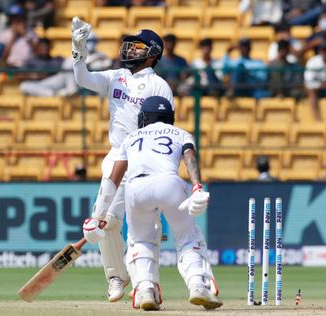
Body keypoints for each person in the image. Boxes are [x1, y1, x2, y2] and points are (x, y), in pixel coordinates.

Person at [82, 96, 222, 311]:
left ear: (143, 118)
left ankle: (146, 289)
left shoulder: (131, 137)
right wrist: (196, 187)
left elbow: (113, 179)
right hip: (170, 183)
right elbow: (190, 159)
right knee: (187, 238)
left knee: (140, 241)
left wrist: (97, 215)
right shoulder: (182, 133)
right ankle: (197, 285)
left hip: (136, 188)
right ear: (170, 117)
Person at [71, 17, 173, 302]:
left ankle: (149, 284)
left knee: (147, 226)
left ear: (152, 54)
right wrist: (78, 50)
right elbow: (83, 78)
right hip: (116, 154)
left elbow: (165, 127)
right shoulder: (116, 76)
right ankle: (117, 277)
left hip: (145, 160)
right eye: (129, 45)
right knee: (104, 221)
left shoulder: (159, 86)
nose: (129, 50)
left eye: (137, 47)